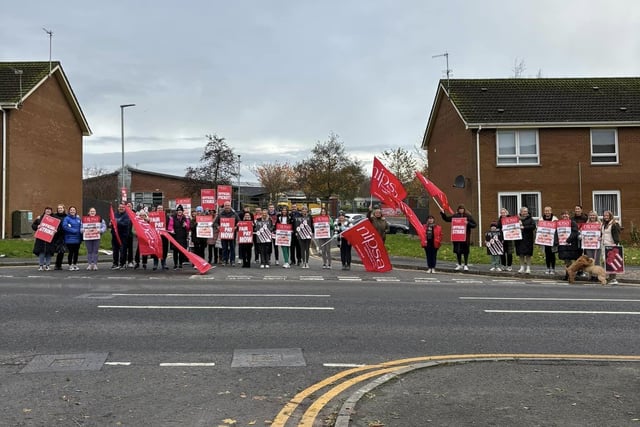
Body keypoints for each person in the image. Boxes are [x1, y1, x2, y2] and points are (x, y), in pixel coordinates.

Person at [440, 204, 477, 271]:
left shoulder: (468, 216)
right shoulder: (455, 216)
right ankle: (459, 264)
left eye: (462, 209)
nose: (461, 210)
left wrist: (468, 223)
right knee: (458, 251)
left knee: (466, 252)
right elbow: (447, 219)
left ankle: (465, 265)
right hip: (457, 238)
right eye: (460, 209)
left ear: (464, 210)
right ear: (458, 210)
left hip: (465, 238)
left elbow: (474, 225)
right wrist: (443, 213)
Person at [557, 209, 582, 280]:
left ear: (569, 216)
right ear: (561, 216)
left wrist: (568, 240)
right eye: (563, 214)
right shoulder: (559, 223)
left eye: (566, 214)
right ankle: (567, 274)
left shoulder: (572, 223)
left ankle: (573, 274)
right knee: (566, 261)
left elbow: (575, 232)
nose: (565, 215)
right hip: (563, 245)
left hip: (571, 245)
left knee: (573, 261)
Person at [214, 201, 240, 266]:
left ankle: (232, 261)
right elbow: (215, 223)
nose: (227, 207)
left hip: (232, 234)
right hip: (224, 233)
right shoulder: (220, 214)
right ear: (224, 206)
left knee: (232, 248)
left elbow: (239, 222)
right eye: (226, 206)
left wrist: (236, 227)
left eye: (228, 205)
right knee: (224, 248)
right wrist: (218, 227)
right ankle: (224, 260)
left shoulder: (234, 214)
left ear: (230, 206)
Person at [601, 210, 621, 285]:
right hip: (604, 245)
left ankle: (614, 278)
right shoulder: (604, 224)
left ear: (610, 216)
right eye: (604, 216)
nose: (606, 217)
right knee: (606, 262)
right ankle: (610, 277)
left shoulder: (614, 224)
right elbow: (603, 234)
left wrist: (615, 244)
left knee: (612, 262)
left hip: (612, 246)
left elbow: (617, 236)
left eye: (607, 215)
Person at [167, 204, 190, 269]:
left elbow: (188, 228)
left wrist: (186, 225)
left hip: (182, 237)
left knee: (181, 251)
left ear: (182, 212)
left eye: (181, 211)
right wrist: (171, 230)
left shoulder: (186, 218)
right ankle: (175, 264)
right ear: (176, 211)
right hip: (175, 237)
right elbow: (170, 226)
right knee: (175, 251)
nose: (179, 212)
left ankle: (180, 264)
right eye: (178, 211)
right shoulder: (172, 218)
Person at [514, 206, 536, 273]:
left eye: (526, 211)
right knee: (521, 254)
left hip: (528, 239)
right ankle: (522, 267)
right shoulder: (516, 219)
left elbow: (533, 226)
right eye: (523, 211)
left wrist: (524, 227)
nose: (525, 212)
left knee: (528, 254)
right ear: (521, 212)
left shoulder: (531, 219)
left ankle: (528, 268)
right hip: (519, 239)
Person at [110, 203, 131, 269]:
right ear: (118, 208)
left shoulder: (127, 215)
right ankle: (115, 263)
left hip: (123, 236)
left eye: (122, 207)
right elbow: (112, 223)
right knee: (115, 250)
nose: (121, 208)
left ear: (125, 208)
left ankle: (123, 263)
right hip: (115, 235)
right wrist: (111, 223)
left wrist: (116, 222)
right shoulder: (115, 214)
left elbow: (125, 223)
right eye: (120, 207)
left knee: (123, 250)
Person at [62, 206, 82, 271]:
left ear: (75, 211)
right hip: (69, 239)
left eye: (74, 210)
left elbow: (82, 226)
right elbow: (65, 226)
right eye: (71, 210)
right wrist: (74, 231)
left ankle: (75, 264)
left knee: (76, 252)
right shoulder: (66, 218)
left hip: (78, 238)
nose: (72, 211)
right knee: (71, 252)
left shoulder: (78, 219)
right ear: (69, 211)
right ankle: (70, 265)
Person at [540, 206, 558, 274]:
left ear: (551, 211)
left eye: (548, 211)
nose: (547, 212)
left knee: (552, 254)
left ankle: (553, 269)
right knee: (547, 254)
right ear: (544, 212)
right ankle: (547, 268)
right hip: (545, 240)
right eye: (546, 211)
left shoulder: (555, 219)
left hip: (553, 240)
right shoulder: (541, 219)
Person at [52, 204, 67, 270]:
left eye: (61, 208)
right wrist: (39, 217)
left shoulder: (67, 217)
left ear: (64, 209)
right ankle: (48, 265)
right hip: (56, 236)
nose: (60, 209)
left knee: (62, 251)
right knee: (56, 250)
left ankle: (59, 265)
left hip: (63, 236)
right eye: (59, 208)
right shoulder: (54, 216)